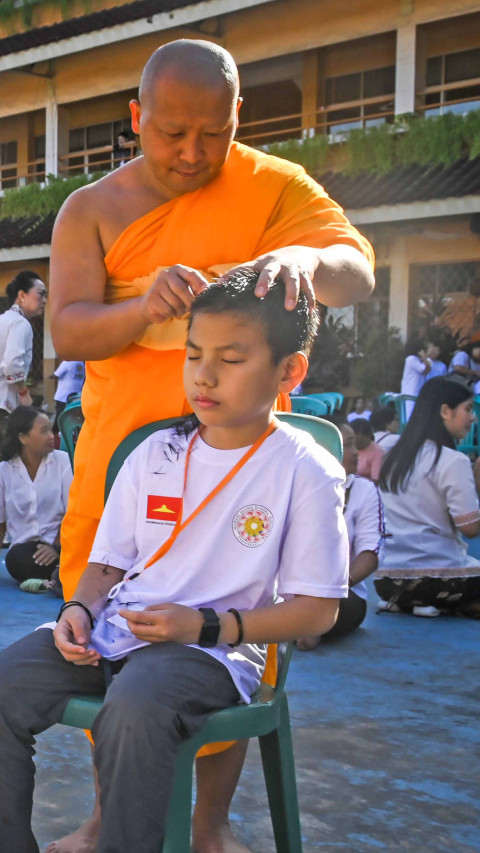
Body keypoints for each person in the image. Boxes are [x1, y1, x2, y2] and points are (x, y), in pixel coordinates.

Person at [48, 38, 374, 853]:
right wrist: (143, 309)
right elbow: (68, 326)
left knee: (229, 634)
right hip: (126, 460)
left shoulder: (272, 187)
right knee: (108, 644)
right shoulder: (91, 207)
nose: (193, 154)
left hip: (246, 468)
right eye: (171, 133)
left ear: (239, 121)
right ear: (137, 119)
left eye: (213, 134)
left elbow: (355, 268)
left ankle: (209, 823)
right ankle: (106, 814)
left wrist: (300, 255)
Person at [0, 272, 349, 853]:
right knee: (7, 681)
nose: (204, 376)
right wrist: (78, 609)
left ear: (289, 372)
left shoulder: (304, 469)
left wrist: (208, 625)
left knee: (134, 708)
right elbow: (109, 565)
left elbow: (317, 611)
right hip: (119, 631)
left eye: (231, 359)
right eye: (193, 356)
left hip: (214, 648)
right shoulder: (154, 452)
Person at [375, 377, 480, 618]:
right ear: (446, 411)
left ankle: (420, 603)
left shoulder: (393, 455)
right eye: (469, 409)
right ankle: (451, 603)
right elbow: (471, 528)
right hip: (438, 580)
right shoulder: (453, 461)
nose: (473, 418)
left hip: (387, 582)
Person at [298, 416, 384, 650]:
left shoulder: (362, 490)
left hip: (343, 594)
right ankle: (303, 623)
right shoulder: (291, 485)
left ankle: (305, 622)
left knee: (326, 605)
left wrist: (332, 589)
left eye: (355, 444)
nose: (356, 452)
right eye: (348, 445)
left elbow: (371, 551)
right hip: (289, 590)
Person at [0, 406, 72, 594]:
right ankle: (59, 576)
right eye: (44, 431)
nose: (51, 436)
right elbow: (0, 523)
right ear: (23, 438)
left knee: (80, 553)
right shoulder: (4, 471)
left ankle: (60, 573)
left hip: (63, 545)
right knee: (15, 559)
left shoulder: (62, 461)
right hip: (27, 553)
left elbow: (72, 512)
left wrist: (55, 548)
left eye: (51, 429)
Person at [0, 271, 47, 423]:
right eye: (41, 294)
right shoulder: (20, 323)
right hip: (4, 405)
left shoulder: (3, 320)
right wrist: (24, 394)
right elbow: (12, 365)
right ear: (22, 295)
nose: (45, 300)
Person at [400, 335, 432, 419]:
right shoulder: (411, 359)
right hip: (410, 394)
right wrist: (425, 358)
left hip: (416, 395)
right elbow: (426, 370)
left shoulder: (417, 360)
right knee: (409, 417)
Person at [52, 360, 85, 430]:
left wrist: (48, 376)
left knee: (61, 415)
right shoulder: (81, 363)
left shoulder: (67, 362)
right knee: (73, 414)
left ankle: (59, 431)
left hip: (64, 394)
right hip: (76, 394)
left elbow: (56, 374)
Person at [350, 417, 384, 483]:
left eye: (360, 442)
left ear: (368, 437)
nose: (355, 446)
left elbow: (375, 480)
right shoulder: (346, 446)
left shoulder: (377, 452)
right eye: (352, 442)